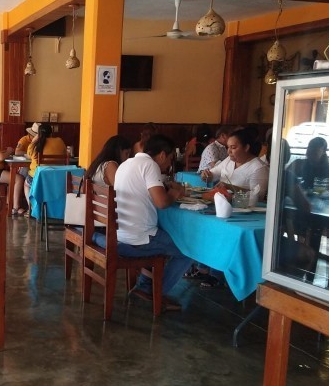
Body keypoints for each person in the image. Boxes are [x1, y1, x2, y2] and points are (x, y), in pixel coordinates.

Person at [99, 134, 191, 310]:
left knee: (166, 236)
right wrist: (175, 192)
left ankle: (144, 287)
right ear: (163, 155)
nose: (168, 164)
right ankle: (156, 293)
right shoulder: (150, 165)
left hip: (122, 232)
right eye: (170, 158)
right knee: (188, 249)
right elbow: (162, 203)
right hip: (139, 238)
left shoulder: (127, 164)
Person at [201, 127, 269, 194]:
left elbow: (258, 196)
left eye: (233, 147)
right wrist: (206, 175)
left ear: (246, 147)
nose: (229, 151)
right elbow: (213, 174)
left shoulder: (259, 168)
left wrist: (231, 187)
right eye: (228, 147)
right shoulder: (229, 160)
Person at [23, 123, 67, 214]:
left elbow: (29, 155)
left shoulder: (35, 145)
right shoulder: (60, 141)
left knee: (26, 184)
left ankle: (32, 208)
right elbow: (64, 152)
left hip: (39, 179)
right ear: (51, 133)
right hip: (57, 179)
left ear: (38, 134)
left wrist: (34, 141)